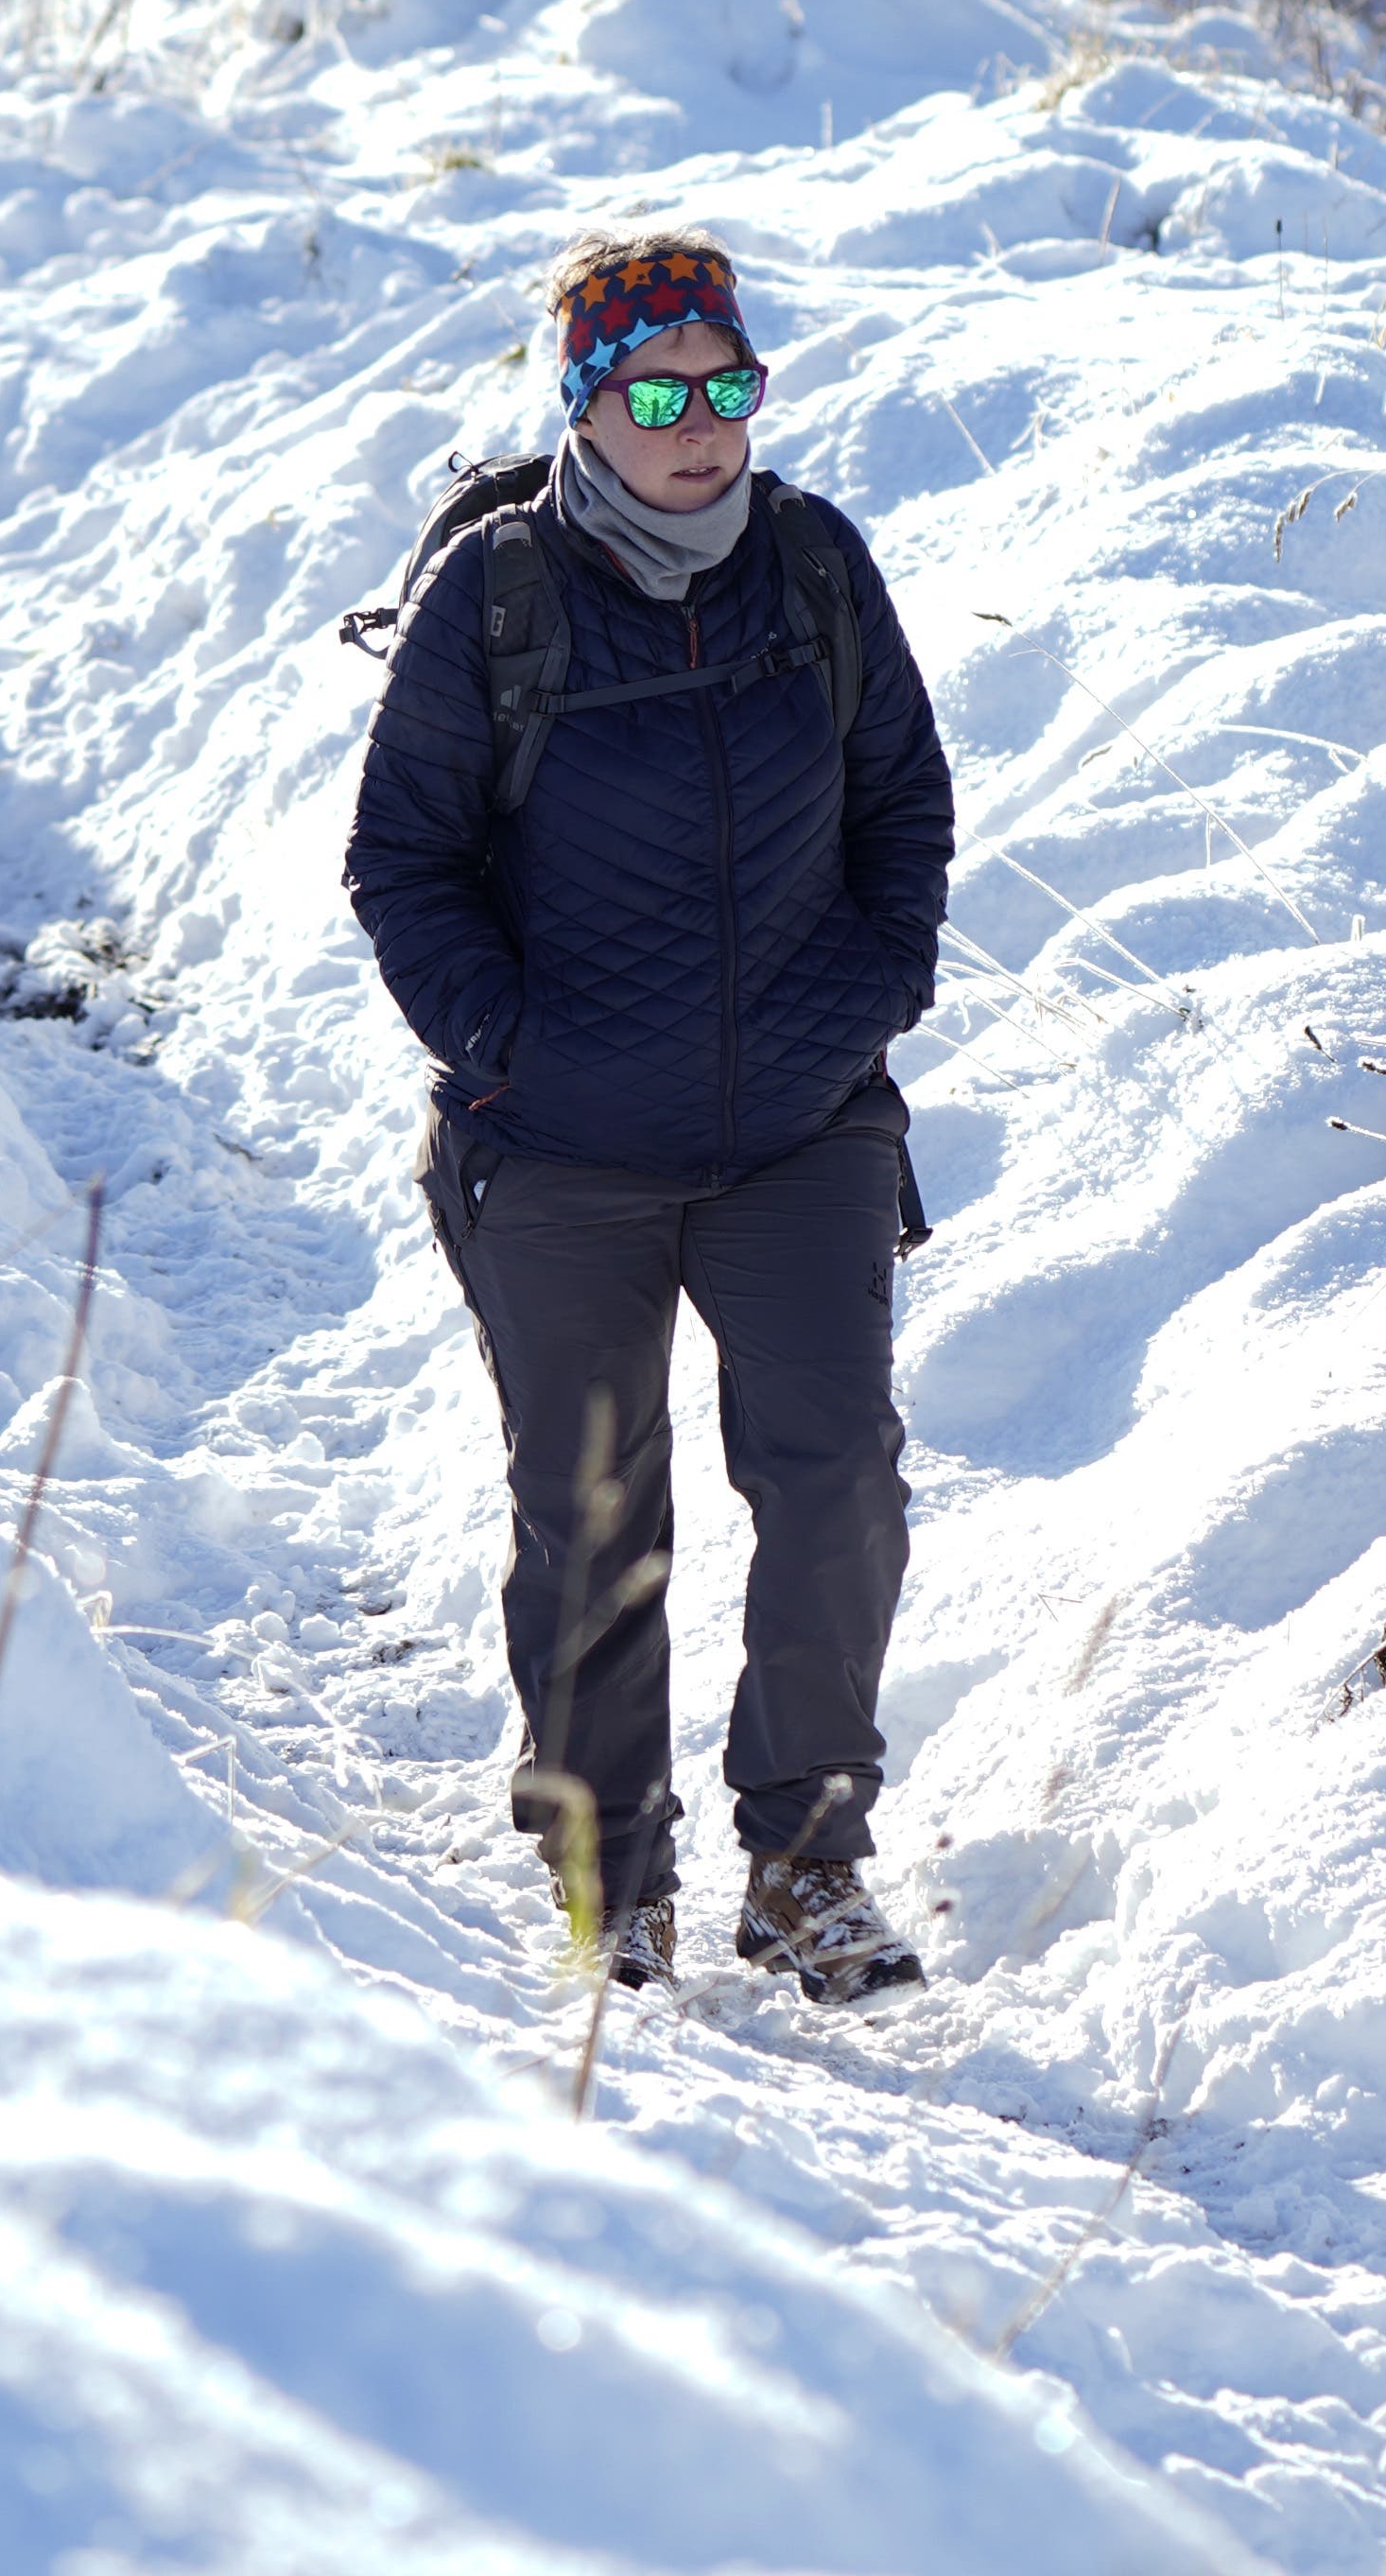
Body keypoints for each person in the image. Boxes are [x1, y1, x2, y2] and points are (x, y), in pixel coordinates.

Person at [342, 233, 956, 2003]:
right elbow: (404, 864)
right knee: (600, 1515)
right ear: (587, 409)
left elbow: (902, 808)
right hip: (561, 1155)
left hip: (802, 1133)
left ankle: (808, 1861)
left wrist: (862, 1006)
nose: (701, 427)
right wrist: (513, 1051)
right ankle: (615, 1880)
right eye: (657, 391)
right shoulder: (498, 599)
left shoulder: (817, 569)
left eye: (727, 385)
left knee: (842, 1487)